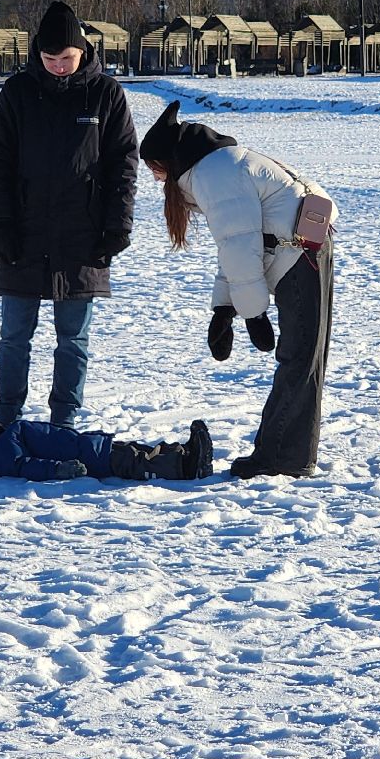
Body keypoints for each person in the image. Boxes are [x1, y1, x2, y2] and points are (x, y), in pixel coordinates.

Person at [139, 102, 336, 478]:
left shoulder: (215, 175)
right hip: (303, 246)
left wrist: (252, 313)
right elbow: (234, 245)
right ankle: (283, 452)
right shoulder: (217, 166)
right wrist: (225, 309)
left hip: (299, 252)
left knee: (299, 357)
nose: (155, 179)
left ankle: (282, 458)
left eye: (155, 169)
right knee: (302, 356)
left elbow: (240, 246)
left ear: (169, 160)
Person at [0, 0, 138, 430]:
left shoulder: (106, 94)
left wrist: (117, 225)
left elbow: (124, 164)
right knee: (14, 336)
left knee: (73, 338)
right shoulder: (17, 93)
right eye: (50, 59)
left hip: (82, 237)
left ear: (82, 51)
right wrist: (1, 224)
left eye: (66, 58)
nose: (59, 67)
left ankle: (64, 422)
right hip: (23, 234)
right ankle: (6, 419)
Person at [0, 418, 212, 481]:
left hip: (84, 446)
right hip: (83, 456)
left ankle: (184, 453)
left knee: (134, 451)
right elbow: (25, 466)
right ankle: (186, 467)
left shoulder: (2, 441)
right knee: (134, 461)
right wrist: (59, 469)